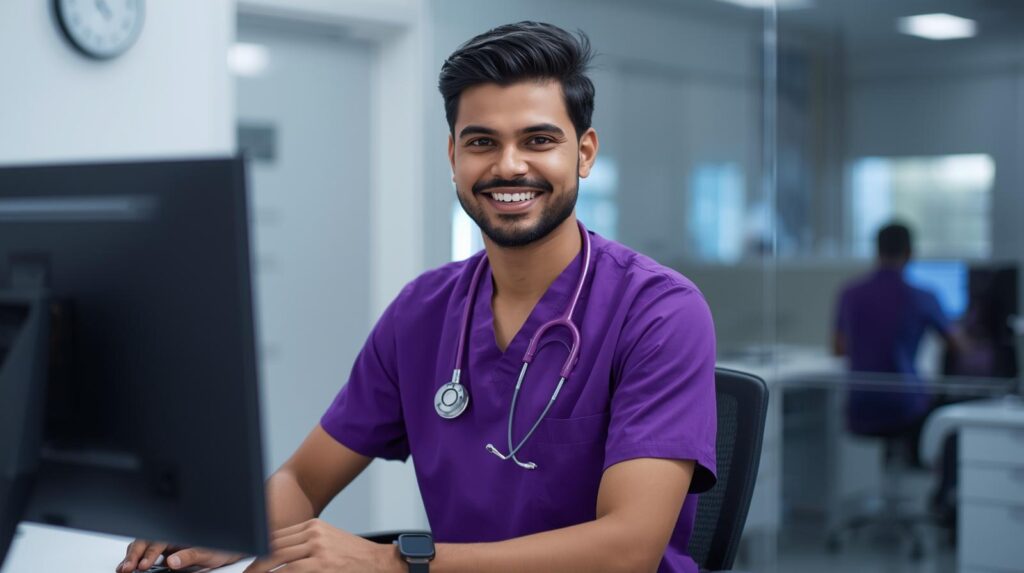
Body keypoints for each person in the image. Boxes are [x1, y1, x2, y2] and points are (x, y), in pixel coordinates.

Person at [118, 21, 717, 573]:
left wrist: (391, 563)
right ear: (453, 155)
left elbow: (628, 550)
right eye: (481, 142)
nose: (509, 166)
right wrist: (228, 530)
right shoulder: (422, 312)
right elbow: (305, 478)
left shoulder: (658, 312)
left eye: (538, 139)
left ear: (582, 153)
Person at [833, 222, 955, 437]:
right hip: (905, 407)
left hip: (860, 405)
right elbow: (957, 345)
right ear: (910, 253)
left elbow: (839, 348)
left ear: (877, 251)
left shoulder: (849, 294)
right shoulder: (922, 297)